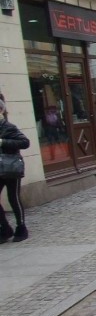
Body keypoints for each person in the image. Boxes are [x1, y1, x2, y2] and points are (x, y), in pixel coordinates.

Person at [0, 98, 30, 243]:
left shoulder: (9, 127)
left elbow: (25, 142)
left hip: (11, 167)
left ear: (1, 111)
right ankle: (4, 228)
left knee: (13, 198)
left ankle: (21, 227)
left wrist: (3, 142)